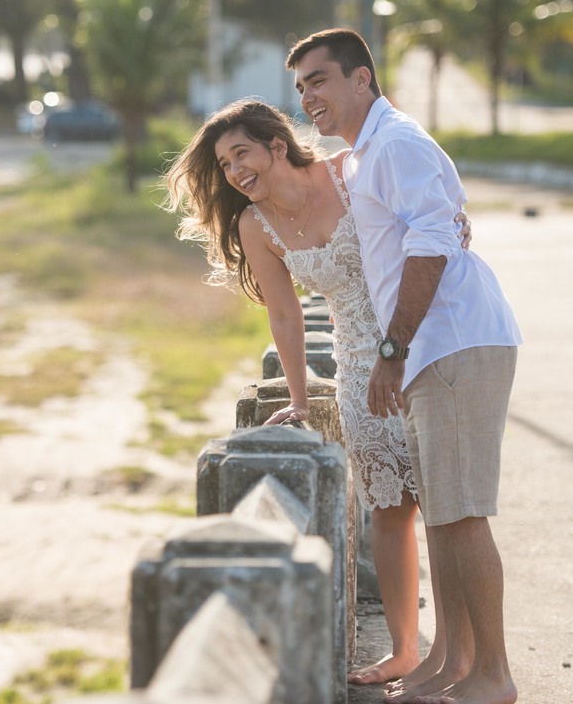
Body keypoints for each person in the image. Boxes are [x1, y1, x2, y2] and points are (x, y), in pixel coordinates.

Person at [162, 98, 471, 687]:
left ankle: (459, 652)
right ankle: (406, 649)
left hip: (423, 344)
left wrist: (458, 214)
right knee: (389, 511)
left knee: (446, 508)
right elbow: (284, 314)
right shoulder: (258, 226)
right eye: (225, 164)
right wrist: (302, 402)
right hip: (358, 369)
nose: (234, 172)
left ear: (277, 145)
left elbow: (424, 196)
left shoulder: (349, 170)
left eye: (241, 153)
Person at [286, 28, 523, 704]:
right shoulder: (362, 158)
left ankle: (494, 674)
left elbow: (431, 239)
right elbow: (442, 219)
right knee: (445, 514)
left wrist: (390, 350)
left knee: (463, 513)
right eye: (301, 86)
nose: (308, 97)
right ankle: (451, 663)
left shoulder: (394, 142)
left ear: (362, 79)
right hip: (432, 347)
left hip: (451, 340)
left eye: (320, 80)